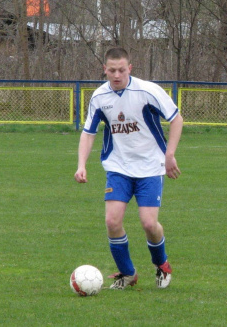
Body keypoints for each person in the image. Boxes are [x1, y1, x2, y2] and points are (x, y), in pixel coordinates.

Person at [75, 47, 183, 290]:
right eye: (111, 70)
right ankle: (127, 273)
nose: (116, 75)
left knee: (148, 224)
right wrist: (81, 165)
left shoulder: (147, 91)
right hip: (118, 167)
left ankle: (161, 264)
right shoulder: (99, 97)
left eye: (121, 70)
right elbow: (88, 133)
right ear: (105, 69)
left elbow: (176, 119)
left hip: (150, 168)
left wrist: (170, 154)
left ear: (129, 69)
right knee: (112, 221)